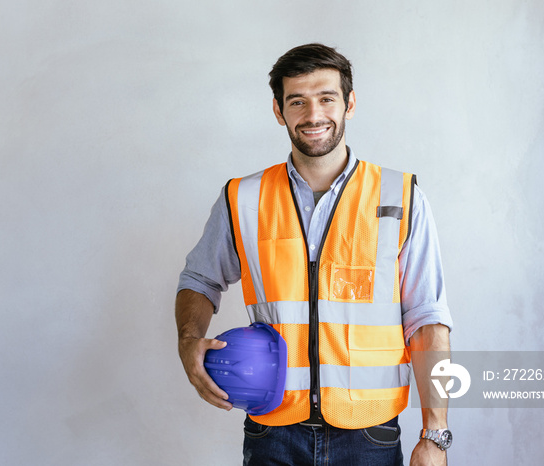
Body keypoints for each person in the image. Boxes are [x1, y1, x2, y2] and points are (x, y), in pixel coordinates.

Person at [176, 43, 453, 466]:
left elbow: (428, 319)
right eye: (297, 102)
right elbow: (199, 280)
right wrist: (189, 339)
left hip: (370, 436)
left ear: (350, 103)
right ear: (278, 110)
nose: (313, 115)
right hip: (273, 432)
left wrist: (435, 435)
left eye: (327, 98)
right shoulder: (243, 198)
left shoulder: (400, 195)